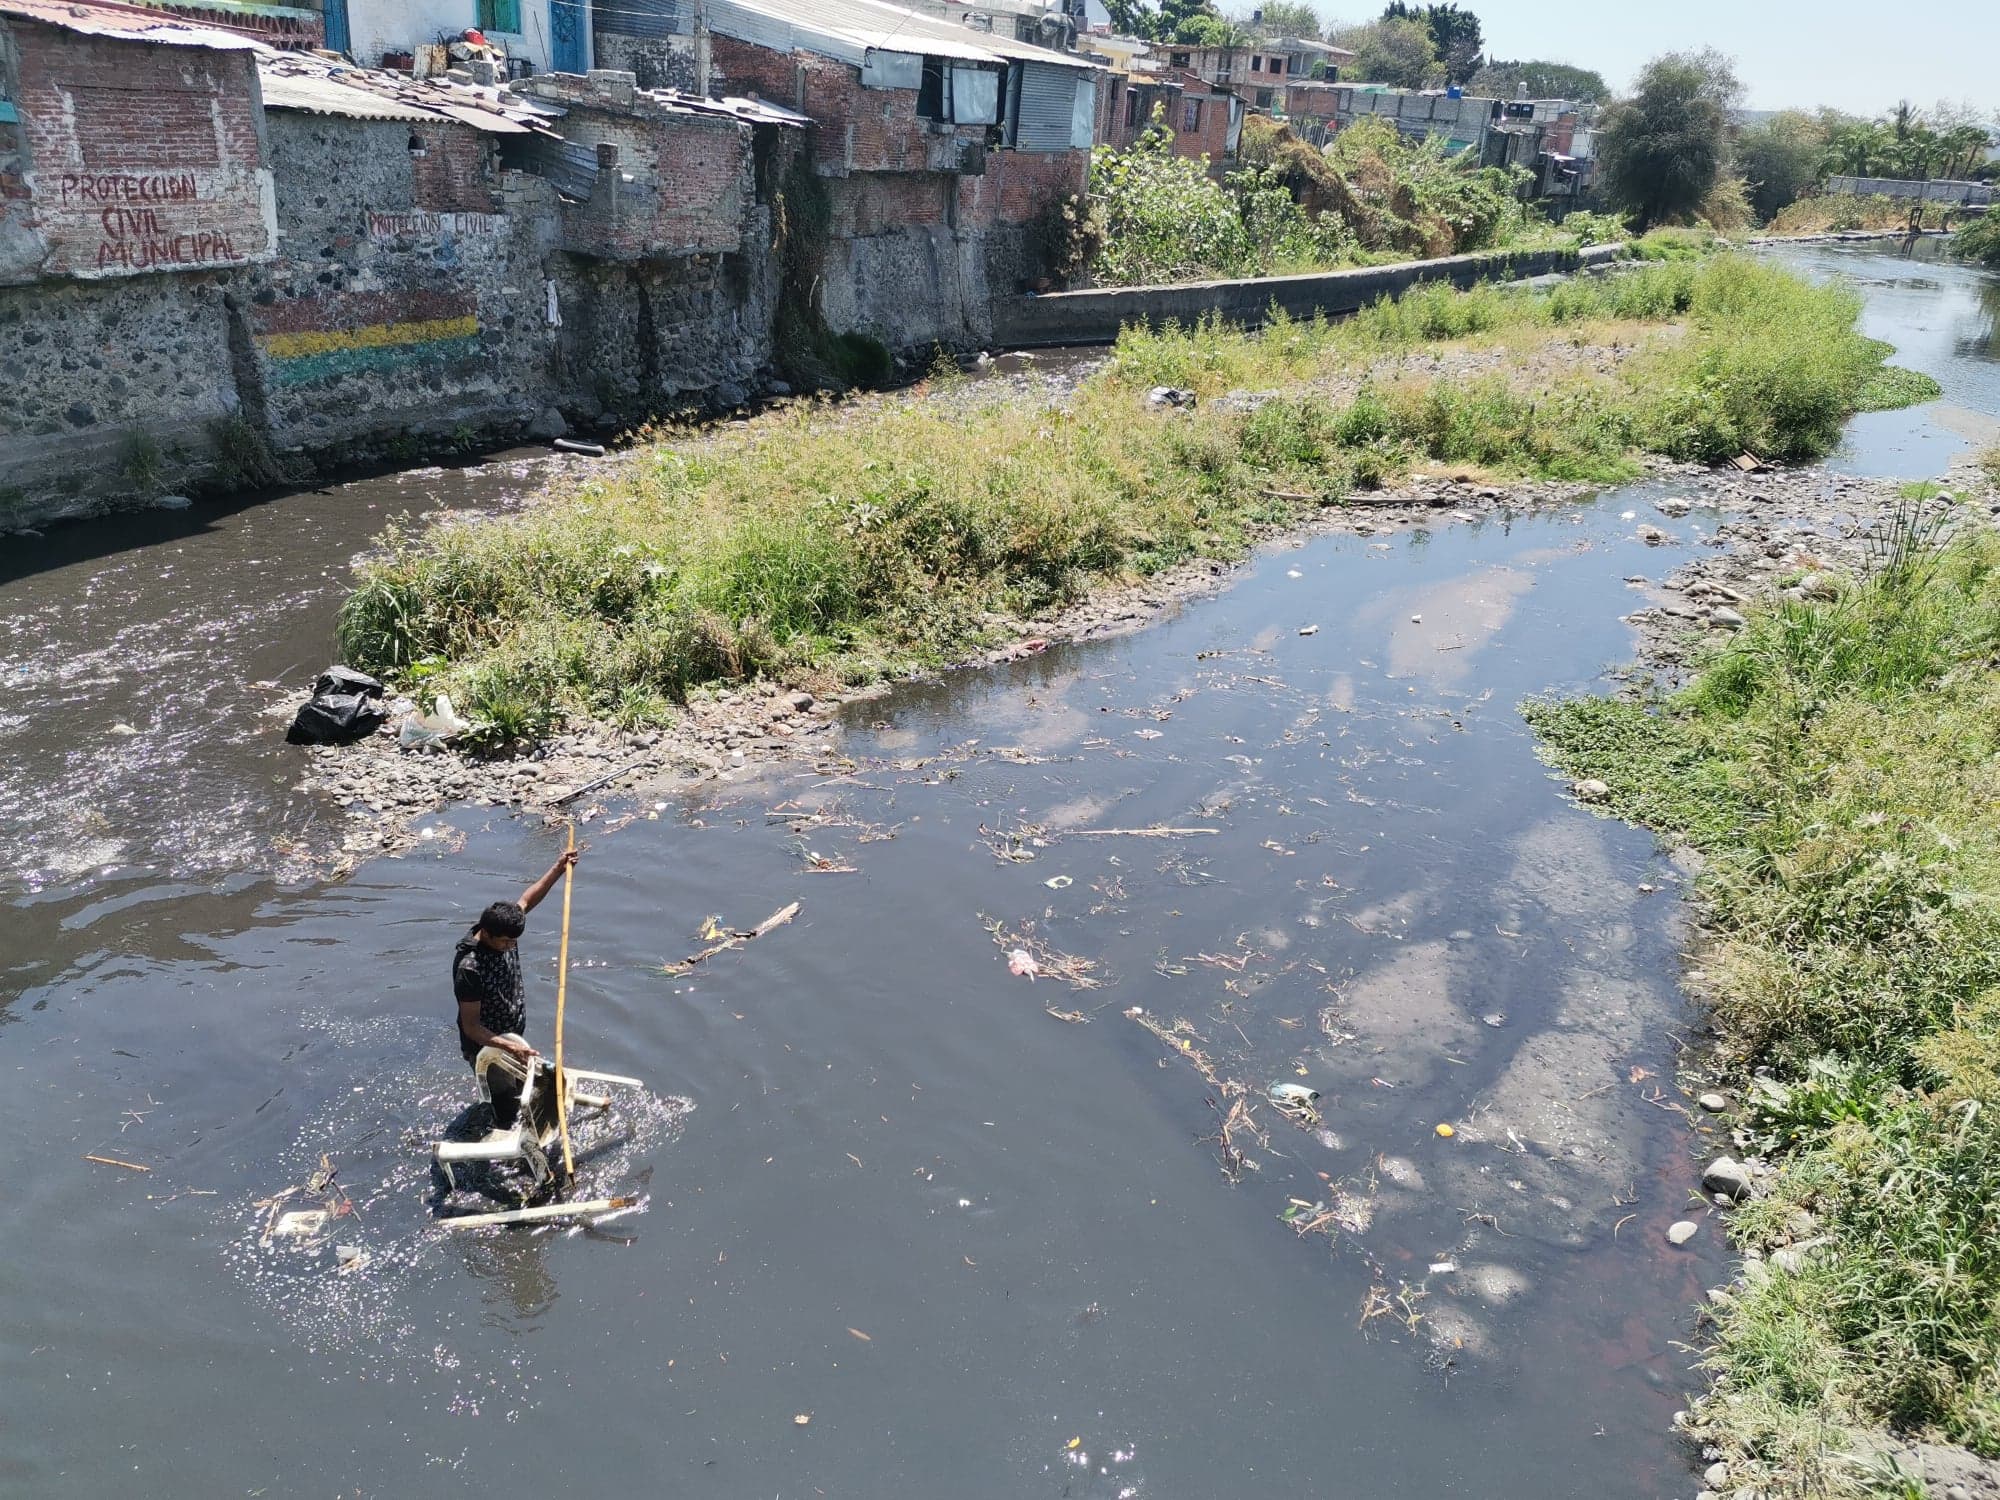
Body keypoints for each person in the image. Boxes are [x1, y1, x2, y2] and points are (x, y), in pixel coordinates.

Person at [452, 849, 578, 1128]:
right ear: (486, 933)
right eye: (505, 942)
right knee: (506, 1105)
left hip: (512, 1035)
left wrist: (558, 868)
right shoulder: (470, 969)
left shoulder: (504, 925)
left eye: (514, 942)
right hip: (488, 1047)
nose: (511, 946)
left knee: (524, 1086)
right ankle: (506, 1145)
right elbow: (471, 1026)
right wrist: (509, 1047)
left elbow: (526, 899)